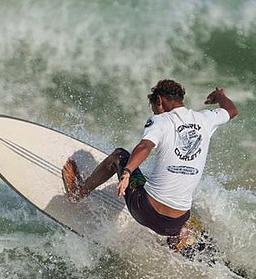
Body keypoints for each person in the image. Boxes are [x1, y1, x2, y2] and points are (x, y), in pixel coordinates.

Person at [62, 79, 237, 248]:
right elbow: (231, 110)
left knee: (119, 154)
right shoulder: (205, 119)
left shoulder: (161, 120)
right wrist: (220, 96)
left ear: (159, 100)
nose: (154, 112)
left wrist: (127, 172)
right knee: (180, 202)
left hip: (146, 212)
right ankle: (177, 238)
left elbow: (145, 146)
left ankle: (77, 193)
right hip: (175, 223)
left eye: (153, 107)